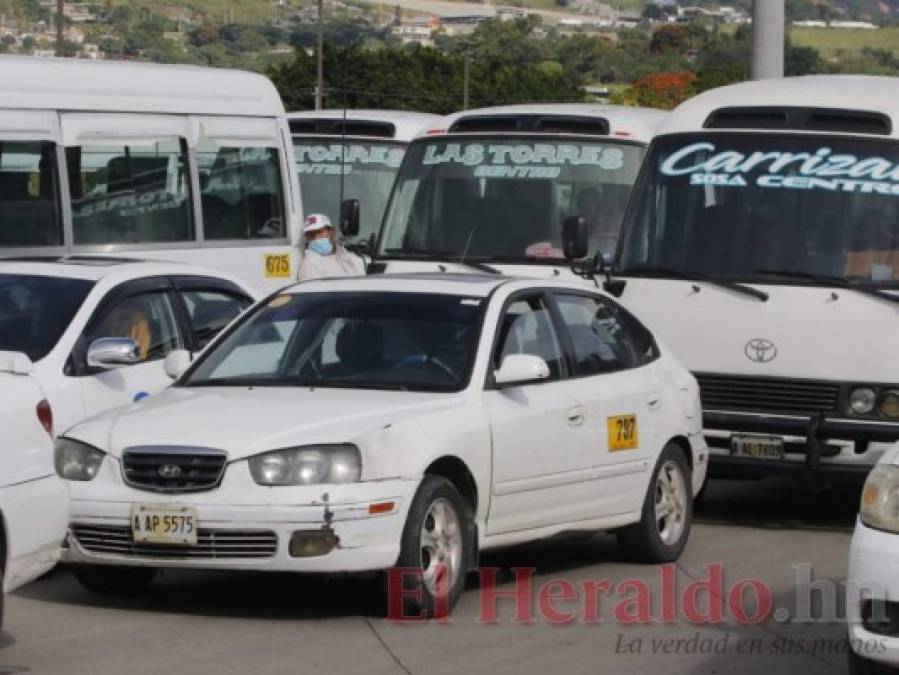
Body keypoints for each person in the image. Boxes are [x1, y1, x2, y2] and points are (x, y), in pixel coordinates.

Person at [297, 213, 365, 281]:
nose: (316, 238)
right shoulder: (310, 263)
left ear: (331, 232)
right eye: (311, 235)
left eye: (319, 232)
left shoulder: (351, 258)